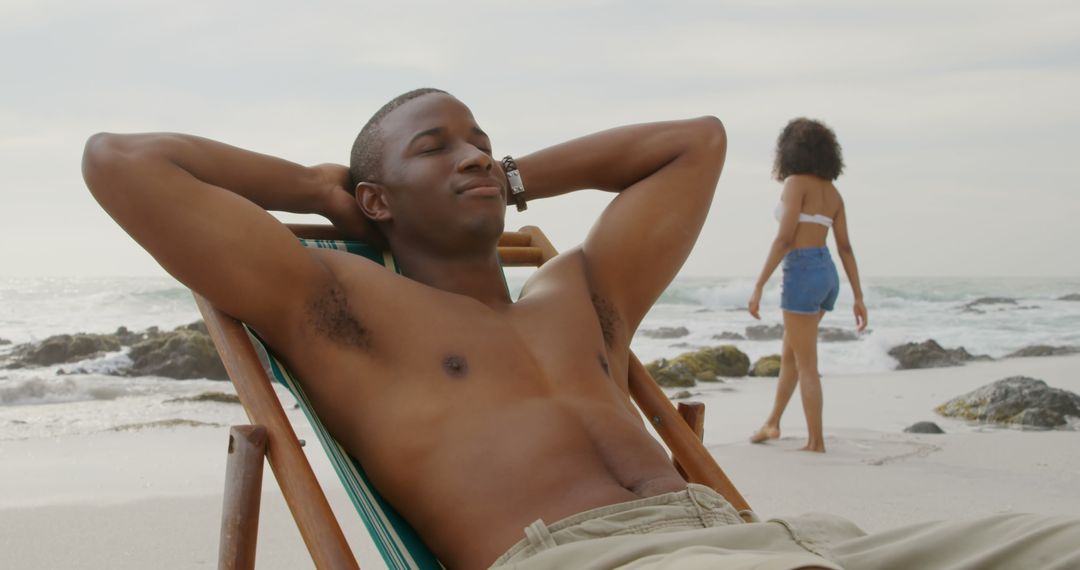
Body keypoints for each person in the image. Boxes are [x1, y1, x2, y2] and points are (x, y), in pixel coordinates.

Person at [83, 90, 1078, 570]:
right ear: (379, 199)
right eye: (441, 150)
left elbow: (694, 144)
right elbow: (120, 160)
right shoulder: (339, 309)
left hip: (759, 543)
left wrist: (510, 178)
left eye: (482, 142)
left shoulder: (579, 298)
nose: (474, 155)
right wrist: (314, 189)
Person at [748, 118, 868, 453]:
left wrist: (758, 285)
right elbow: (845, 247)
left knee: (807, 365)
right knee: (791, 354)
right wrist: (857, 296)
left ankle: (816, 442)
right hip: (826, 274)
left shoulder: (794, 183)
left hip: (801, 272)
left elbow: (785, 238)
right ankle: (772, 423)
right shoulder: (833, 193)